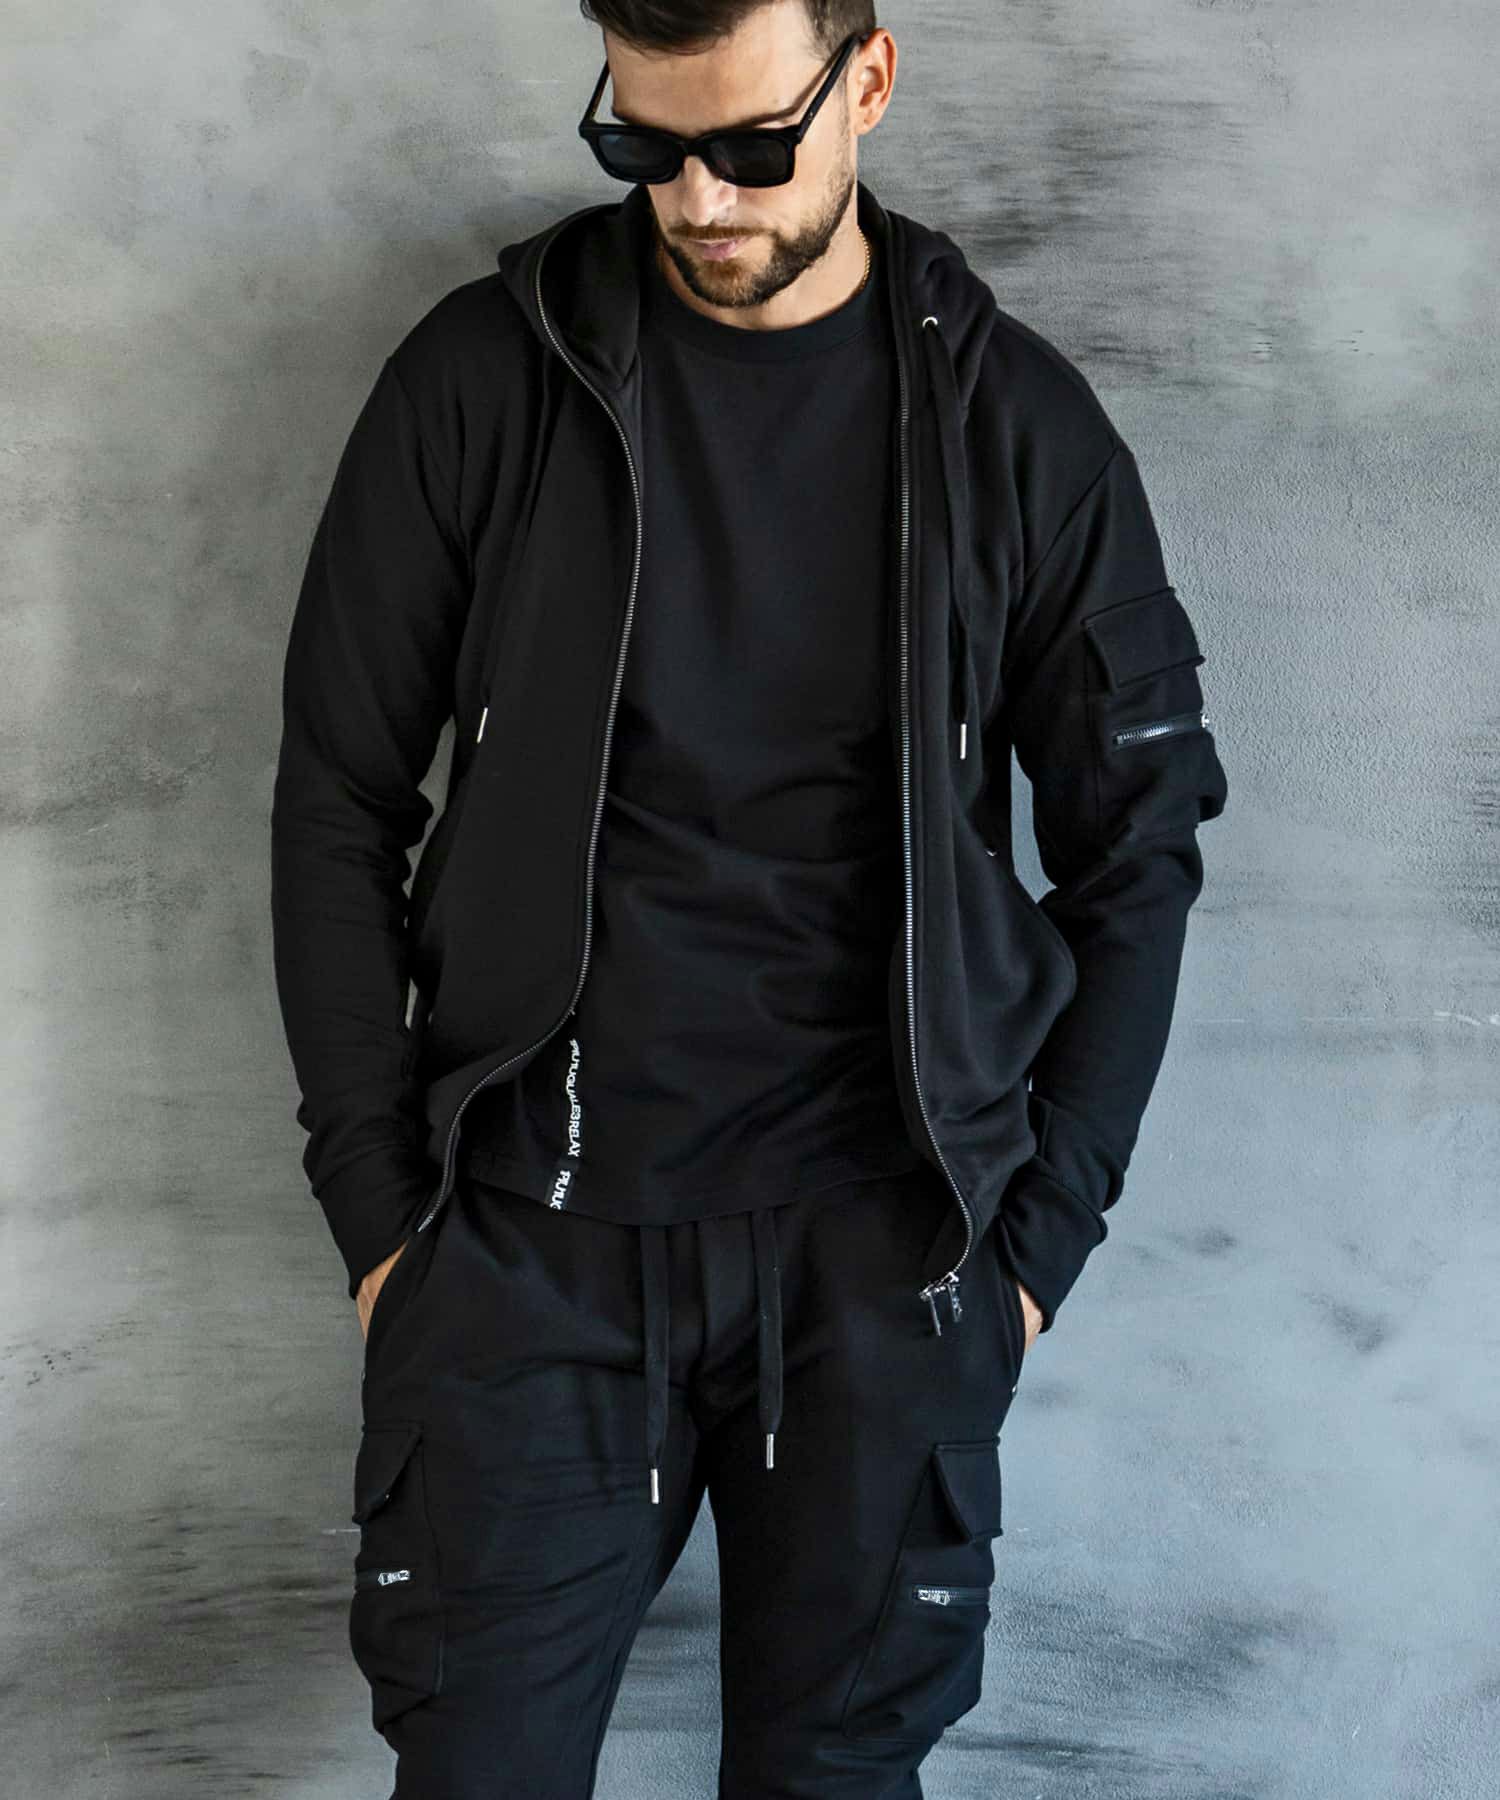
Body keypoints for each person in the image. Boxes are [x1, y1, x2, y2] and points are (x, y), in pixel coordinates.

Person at [270, 1, 1229, 1791]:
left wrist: (1035, 1254)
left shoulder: (1016, 427)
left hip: (884, 1262)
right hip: (534, 1254)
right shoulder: (483, 383)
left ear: (868, 81)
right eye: (643, 147)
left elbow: (1142, 847)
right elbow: (335, 795)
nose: (699, 200)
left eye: (752, 148)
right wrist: (384, 1229)